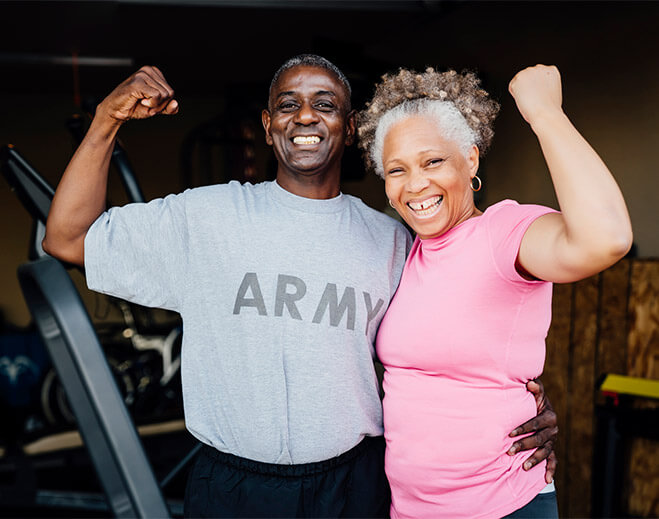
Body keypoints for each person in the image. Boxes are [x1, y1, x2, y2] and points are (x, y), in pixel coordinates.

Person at [43, 54, 558, 518]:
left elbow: (462, 339)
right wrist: (106, 120)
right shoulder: (203, 218)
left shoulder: (395, 239)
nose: (306, 116)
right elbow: (66, 238)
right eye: (288, 105)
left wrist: (515, 405)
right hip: (232, 487)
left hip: (355, 485)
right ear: (268, 127)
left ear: (350, 127)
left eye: (325, 104)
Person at [356, 64, 633, 518]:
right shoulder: (405, 253)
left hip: (500, 505)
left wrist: (545, 113)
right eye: (396, 170)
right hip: (410, 509)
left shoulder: (502, 232)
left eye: (433, 161)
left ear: (471, 160)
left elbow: (607, 238)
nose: (415, 184)